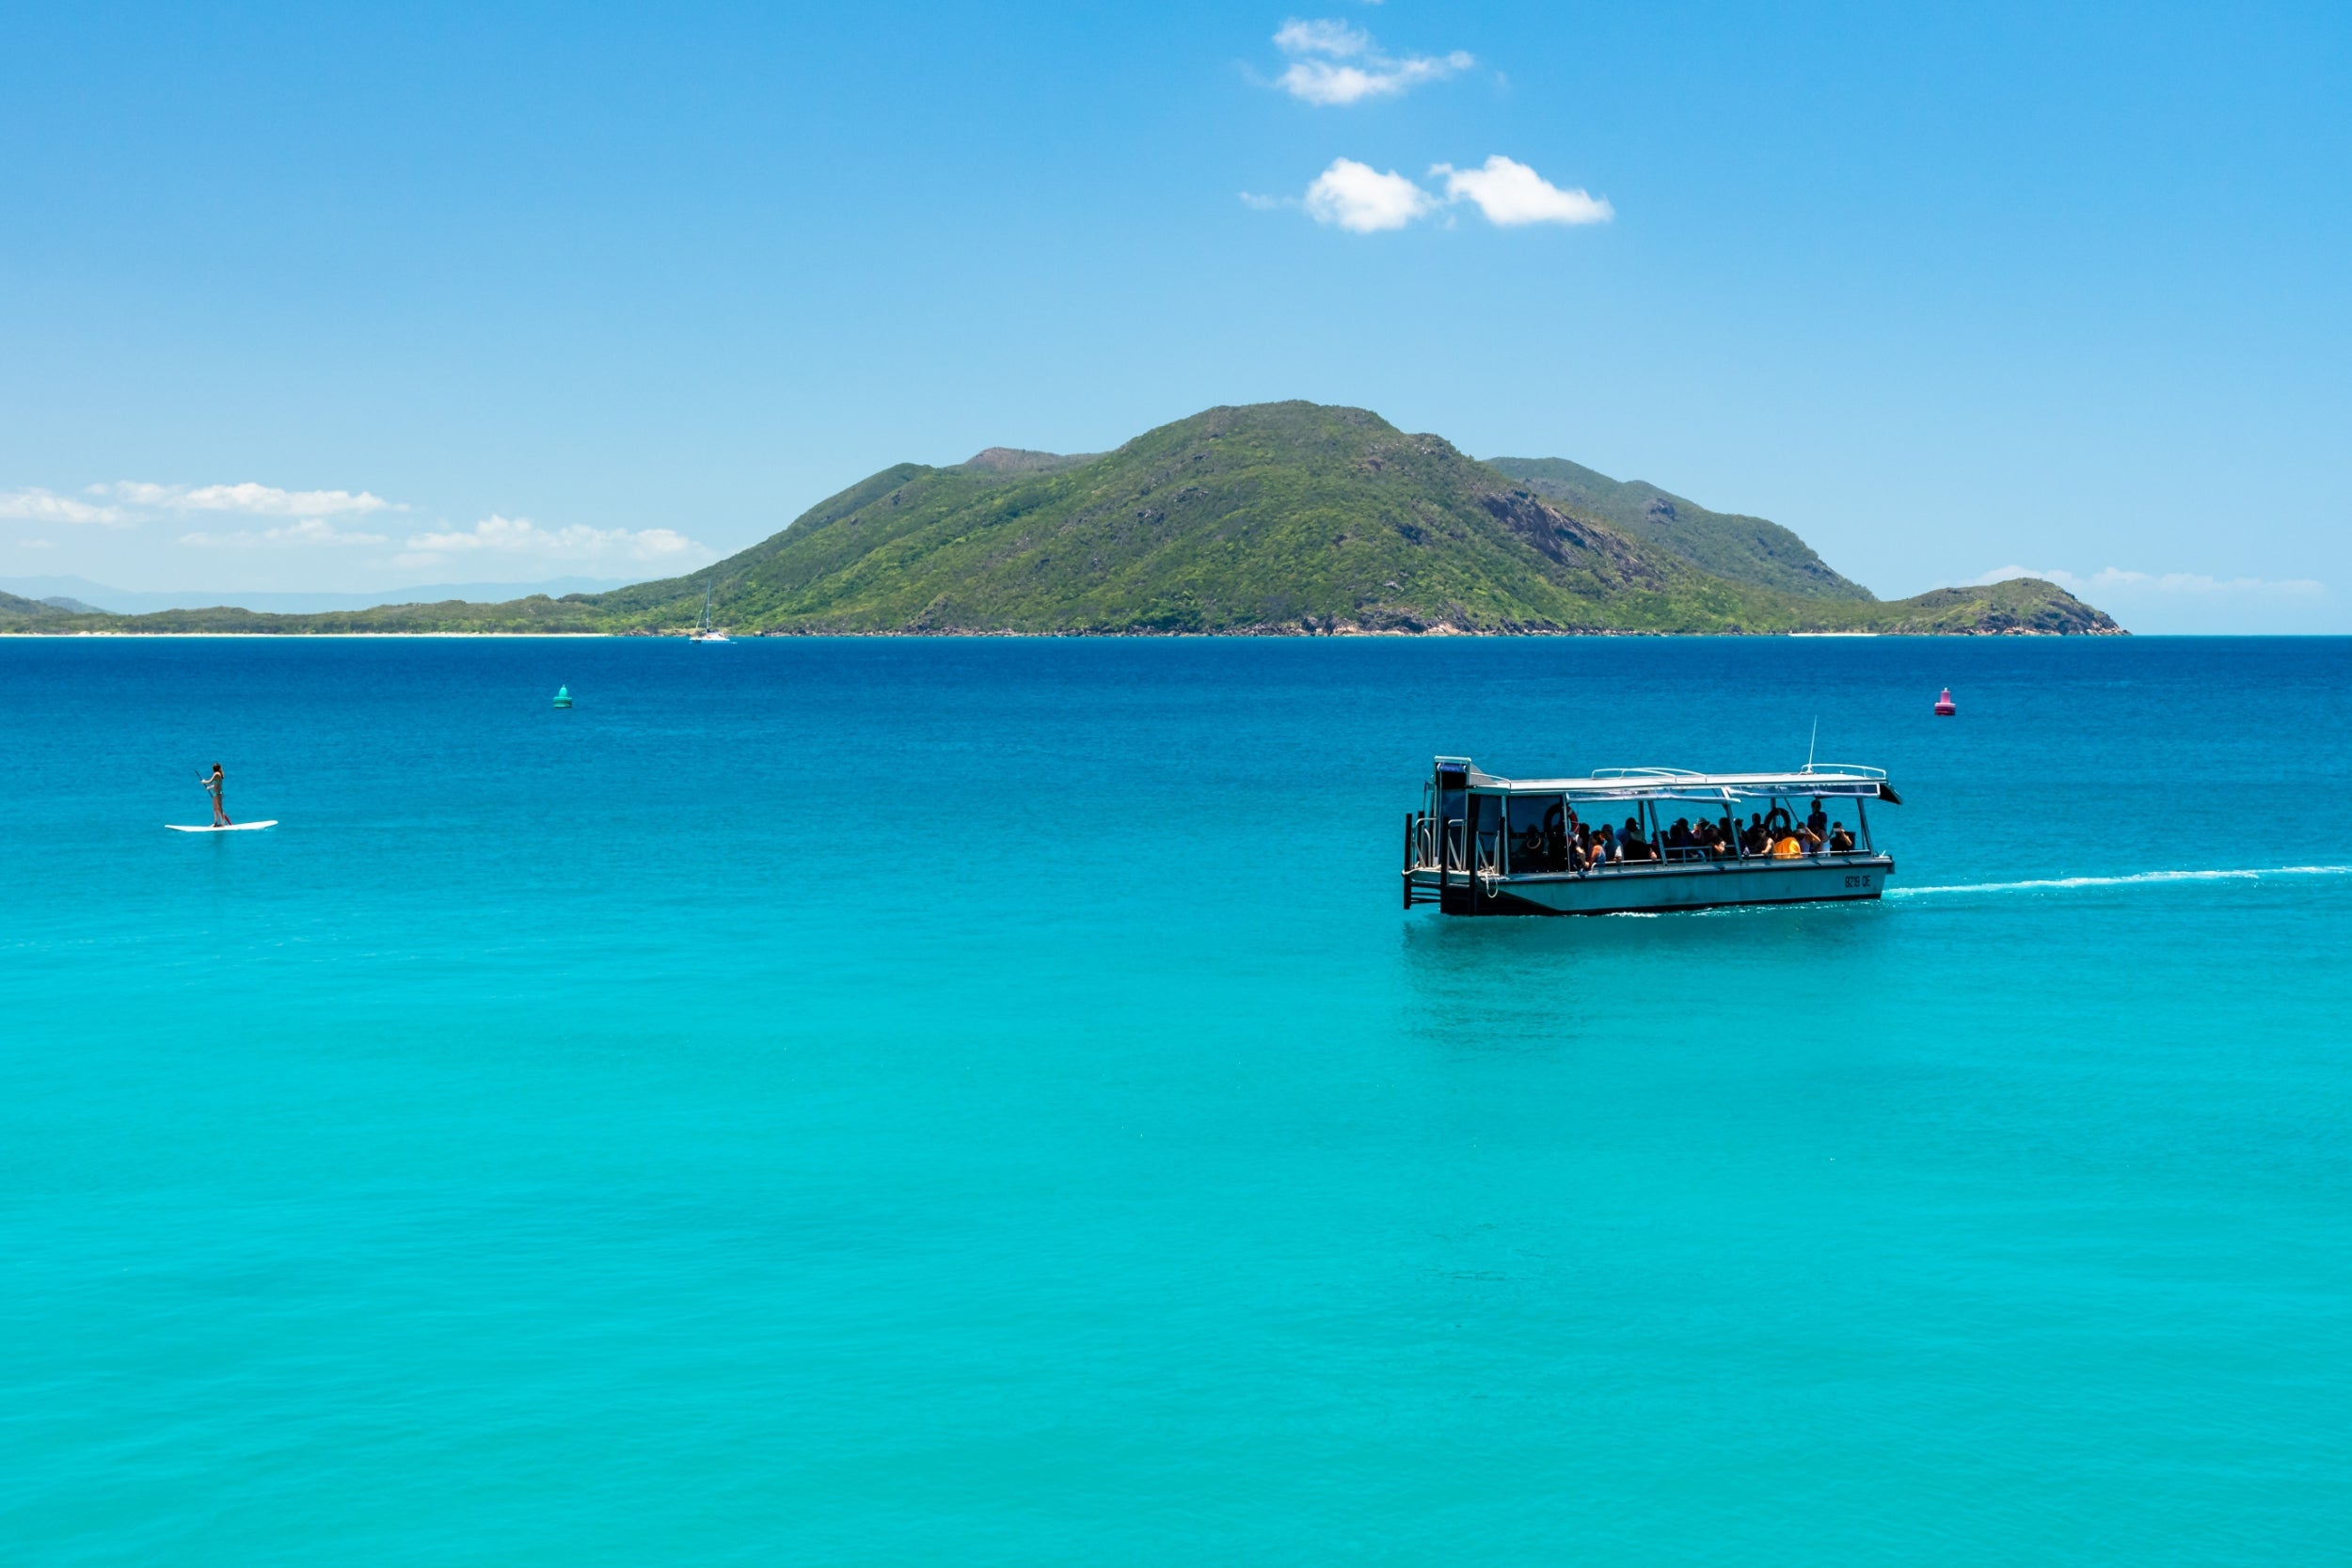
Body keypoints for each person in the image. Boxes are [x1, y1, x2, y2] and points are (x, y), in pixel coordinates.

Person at [199, 762, 230, 827]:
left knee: (220, 808)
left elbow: (210, 781)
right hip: (215, 793)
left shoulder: (216, 774)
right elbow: (216, 784)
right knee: (215, 808)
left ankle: (222, 824)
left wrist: (204, 782)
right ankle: (215, 823)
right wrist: (210, 787)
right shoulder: (218, 774)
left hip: (218, 793)